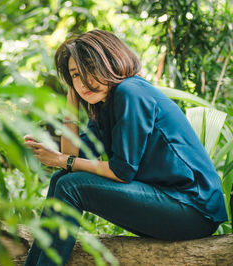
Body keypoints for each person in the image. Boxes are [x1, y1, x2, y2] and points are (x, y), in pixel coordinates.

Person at [23, 29, 228, 266]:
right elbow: (71, 159)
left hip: (193, 209)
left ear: (111, 60)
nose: (85, 81)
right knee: (62, 178)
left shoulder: (130, 91)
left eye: (90, 68)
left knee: (69, 185)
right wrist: (72, 100)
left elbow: (121, 172)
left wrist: (61, 160)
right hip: (166, 203)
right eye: (76, 75)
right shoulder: (103, 106)